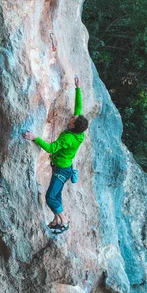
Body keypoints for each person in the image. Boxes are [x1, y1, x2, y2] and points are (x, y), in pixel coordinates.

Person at [22, 75, 89, 234]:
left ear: (72, 126)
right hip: (63, 168)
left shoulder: (68, 138)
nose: (72, 117)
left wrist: (35, 138)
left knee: (51, 197)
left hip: (61, 170)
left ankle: (63, 221)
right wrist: (77, 87)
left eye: (72, 119)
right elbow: (78, 107)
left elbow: (51, 148)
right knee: (56, 194)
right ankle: (57, 220)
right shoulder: (78, 133)